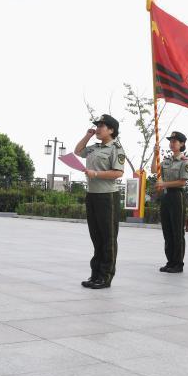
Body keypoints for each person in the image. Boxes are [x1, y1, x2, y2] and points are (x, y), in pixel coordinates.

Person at [74, 114, 125, 289]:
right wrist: (88, 135)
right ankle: (95, 274)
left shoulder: (116, 149)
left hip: (107, 197)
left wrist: (95, 174)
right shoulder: (94, 148)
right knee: (96, 236)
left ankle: (105, 276)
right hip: (92, 195)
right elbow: (78, 151)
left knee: (108, 237)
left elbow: (118, 173)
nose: (98, 128)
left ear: (111, 130)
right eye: (97, 125)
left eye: (102, 126)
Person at [156, 131, 188, 274]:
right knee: (167, 230)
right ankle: (170, 261)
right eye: (170, 141)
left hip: (177, 196)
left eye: (175, 141)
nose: (172, 143)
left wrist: (164, 184)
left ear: (182, 144)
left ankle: (178, 263)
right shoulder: (166, 161)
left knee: (177, 231)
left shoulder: (184, 162)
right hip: (166, 196)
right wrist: (155, 154)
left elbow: (182, 182)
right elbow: (154, 169)